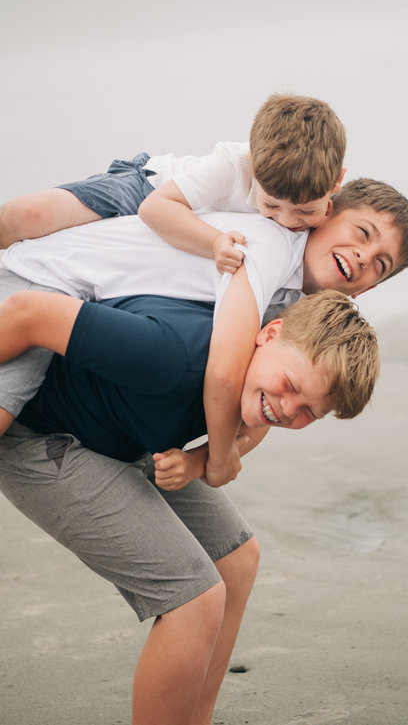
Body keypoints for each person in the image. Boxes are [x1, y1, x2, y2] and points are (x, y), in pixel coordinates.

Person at [0, 289, 379, 725]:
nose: (286, 410)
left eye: (308, 412)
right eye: (291, 387)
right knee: (195, 598)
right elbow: (31, 311)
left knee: (236, 560)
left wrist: (202, 460)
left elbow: (257, 422)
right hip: (41, 439)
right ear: (270, 332)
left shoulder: (259, 374)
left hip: (123, 441)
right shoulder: (171, 354)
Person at [0, 177, 408, 468]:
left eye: (380, 264)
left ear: (367, 291)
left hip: (84, 298)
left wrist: (200, 462)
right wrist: (220, 460)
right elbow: (225, 372)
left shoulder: (296, 310)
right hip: (49, 274)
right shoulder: (272, 248)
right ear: (323, 212)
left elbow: (264, 412)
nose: (362, 257)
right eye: (362, 234)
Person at [0, 93, 347, 272]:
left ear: (336, 182)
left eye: (305, 211)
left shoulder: (323, 187)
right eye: (271, 205)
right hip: (147, 185)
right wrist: (213, 244)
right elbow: (156, 207)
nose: (286, 221)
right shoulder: (232, 163)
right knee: (29, 215)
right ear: (253, 165)